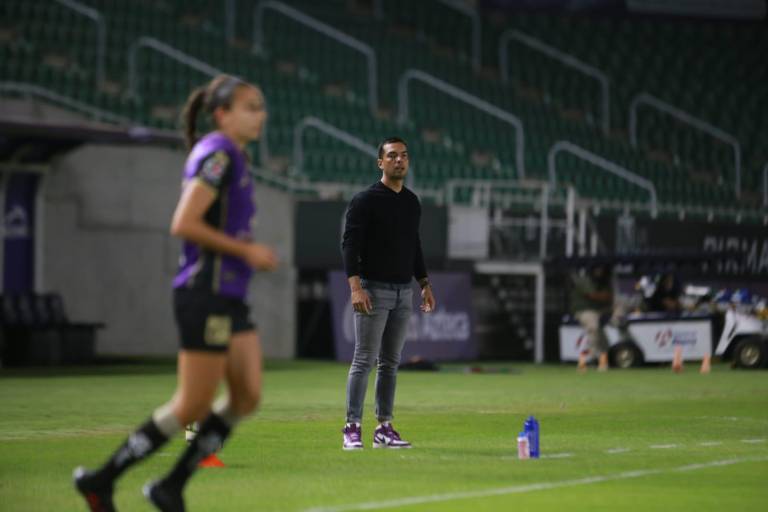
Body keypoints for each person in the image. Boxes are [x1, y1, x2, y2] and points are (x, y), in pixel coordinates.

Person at [73, 74, 277, 512]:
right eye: (250, 107)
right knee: (191, 405)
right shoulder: (218, 155)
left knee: (246, 396)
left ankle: (170, 488)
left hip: (229, 296)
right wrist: (247, 251)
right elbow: (184, 222)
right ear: (222, 114)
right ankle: (101, 481)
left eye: (261, 107)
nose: (259, 115)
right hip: (205, 294)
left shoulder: (234, 156)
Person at [340, 136, 436, 450]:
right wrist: (356, 288)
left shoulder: (411, 202)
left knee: (390, 363)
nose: (399, 160)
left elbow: (414, 245)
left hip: (403, 292)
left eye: (404, 155)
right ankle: (352, 427)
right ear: (380, 162)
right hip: (373, 290)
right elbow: (349, 246)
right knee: (363, 360)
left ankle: (384, 427)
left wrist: (424, 283)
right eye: (392, 156)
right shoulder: (365, 200)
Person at [570, 263, 613, 372]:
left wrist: (605, 297)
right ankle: (590, 360)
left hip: (600, 310)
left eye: (601, 269)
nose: (599, 272)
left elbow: (610, 297)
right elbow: (592, 295)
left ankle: (602, 361)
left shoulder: (605, 282)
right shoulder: (584, 280)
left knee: (602, 337)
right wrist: (603, 296)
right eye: (597, 269)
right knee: (593, 328)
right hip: (584, 310)